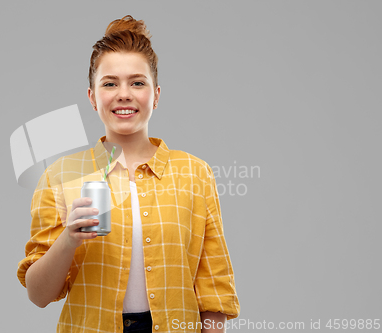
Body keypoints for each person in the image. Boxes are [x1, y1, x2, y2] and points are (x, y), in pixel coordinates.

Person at [17, 15, 240, 333]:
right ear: (93, 97)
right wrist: (68, 240)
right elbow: (38, 295)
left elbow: (212, 288)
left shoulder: (195, 173)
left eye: (137, 82)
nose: (124, 94)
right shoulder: (60, 176)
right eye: (110, 83)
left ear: (156, 94)